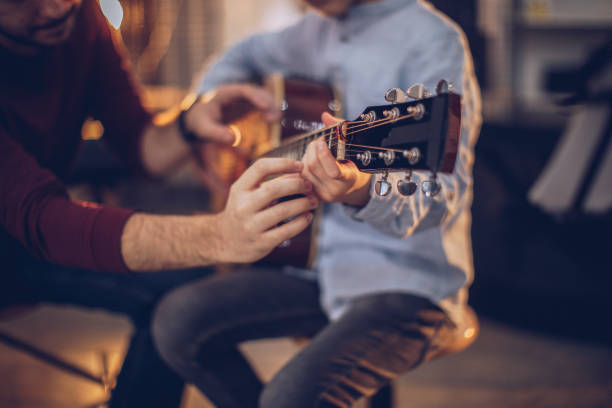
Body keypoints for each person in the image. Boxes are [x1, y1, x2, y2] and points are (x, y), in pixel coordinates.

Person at [151, 0, 482, 407]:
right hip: (319, 269)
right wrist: (211, 118)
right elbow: (242, 54)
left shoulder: (432, 40)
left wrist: (362, 189)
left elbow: (441, 194)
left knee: (289, 399)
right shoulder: (309, 33)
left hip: (409, 284)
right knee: (178, 321)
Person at [0, 1, 317, 407]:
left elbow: (141, 146)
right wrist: (220, 234)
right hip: (15, 244)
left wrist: (190, 121)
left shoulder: (84, 18)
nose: (55, 8)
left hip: (35, 230)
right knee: (178, 284)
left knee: (183, 286)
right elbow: (43, 222)